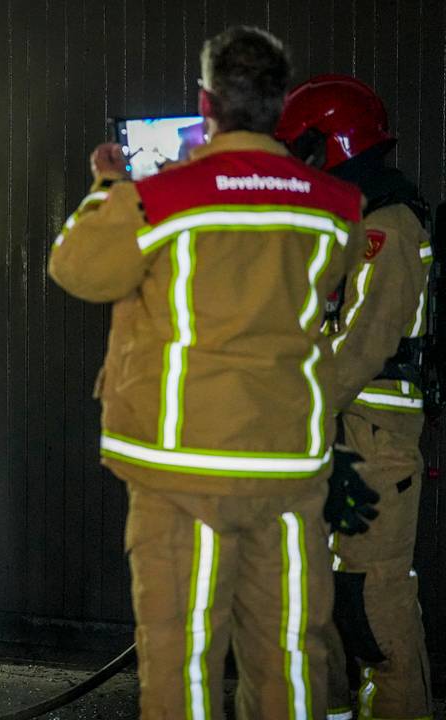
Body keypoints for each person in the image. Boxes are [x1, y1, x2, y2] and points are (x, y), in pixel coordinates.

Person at [48, 26, 368, 719]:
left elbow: (77, 269)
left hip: (180, 465)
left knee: (183, 658)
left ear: (205, 102)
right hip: (287, 466)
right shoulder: (336, 206)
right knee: (289, 654)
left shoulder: (160, 196)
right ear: (282, 107)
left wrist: (108, 184)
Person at [276, 74, 434, 720]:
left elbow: (362, 345)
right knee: (317, 606)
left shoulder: (388, 226)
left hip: (373, 443)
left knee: (370, 606)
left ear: (330, 145)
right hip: (329, 440)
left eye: (302, 153)